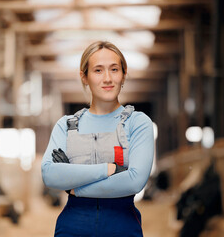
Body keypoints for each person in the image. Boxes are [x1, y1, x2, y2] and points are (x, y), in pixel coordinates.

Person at [41, 41, 154, 237]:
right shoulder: (66, 125)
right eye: (98, 70)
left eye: (114, 69)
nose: (108, 78)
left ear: (124, 74)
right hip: (71, 228)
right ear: (84, 77)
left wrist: (75, 187)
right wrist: (108, 169)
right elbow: (50, 175)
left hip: (122, 227)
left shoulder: (138, 122)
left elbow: (135, 182)